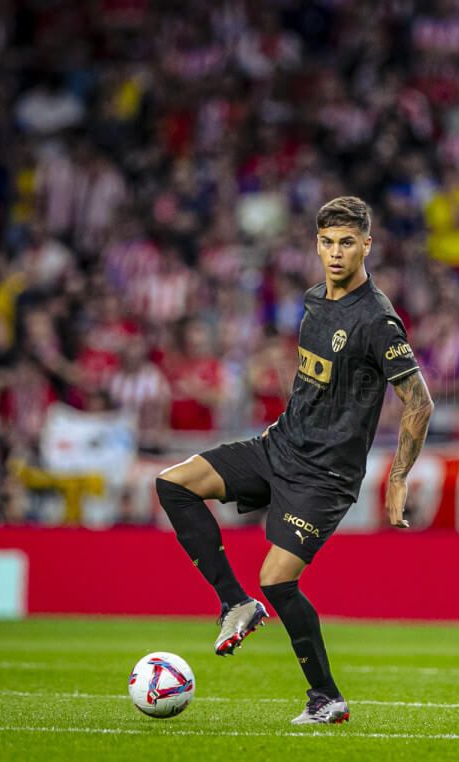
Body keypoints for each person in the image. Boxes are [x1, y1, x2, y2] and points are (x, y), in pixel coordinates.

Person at [155, 196, 434, 725]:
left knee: (278, 580)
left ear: (367, 245)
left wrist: (398, 476)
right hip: (277, 448)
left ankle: (326, 698)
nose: (335, 253)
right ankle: (233, 605)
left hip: (324, 476)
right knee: (174, 483)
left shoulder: (378, 320)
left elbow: (419, 401)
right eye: (327, 242)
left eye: (347, 243)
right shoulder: (313, 301)